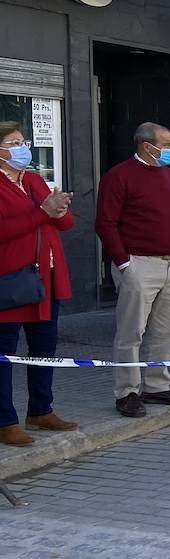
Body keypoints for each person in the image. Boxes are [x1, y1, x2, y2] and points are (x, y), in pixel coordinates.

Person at [94, 123, 170, 419]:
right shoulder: (119, 176)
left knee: (169, 329)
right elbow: (105, 223)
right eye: (166, 144)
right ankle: (127, 392)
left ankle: (156, 385)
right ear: (145, 145)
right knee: (131, 331)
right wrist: (124, 263)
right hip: (139, 264)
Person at [0, 122, 76, 446]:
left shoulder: (32, 179)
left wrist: (58, 208)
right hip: (12, 283)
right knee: (4, 354)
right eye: (14, 142)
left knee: (43, 349)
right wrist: (43, 212)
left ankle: (41, 410)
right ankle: (5, 420)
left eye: (23, 141)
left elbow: (67, 224)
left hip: (46, 279)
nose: (22, 147)